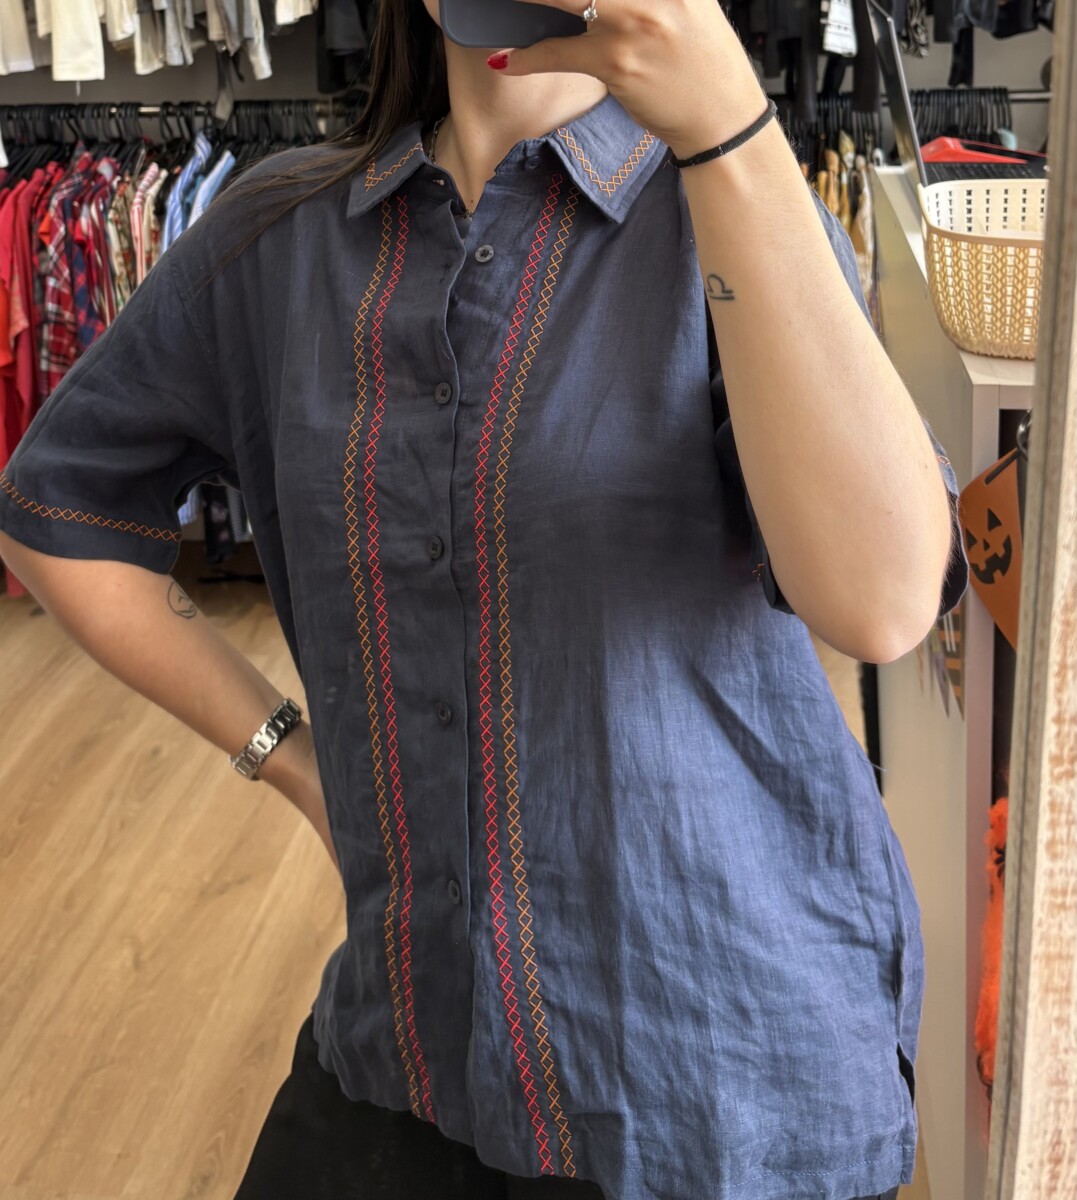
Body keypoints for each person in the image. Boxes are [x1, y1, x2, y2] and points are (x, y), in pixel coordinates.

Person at [0, 0, 968, 1197]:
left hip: (718, 1077)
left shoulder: (726, 206)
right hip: (411, 1043)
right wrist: (291, 760)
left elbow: (881, 602)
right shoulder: (281, 238)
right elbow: (60, 509)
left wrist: (730, 127)